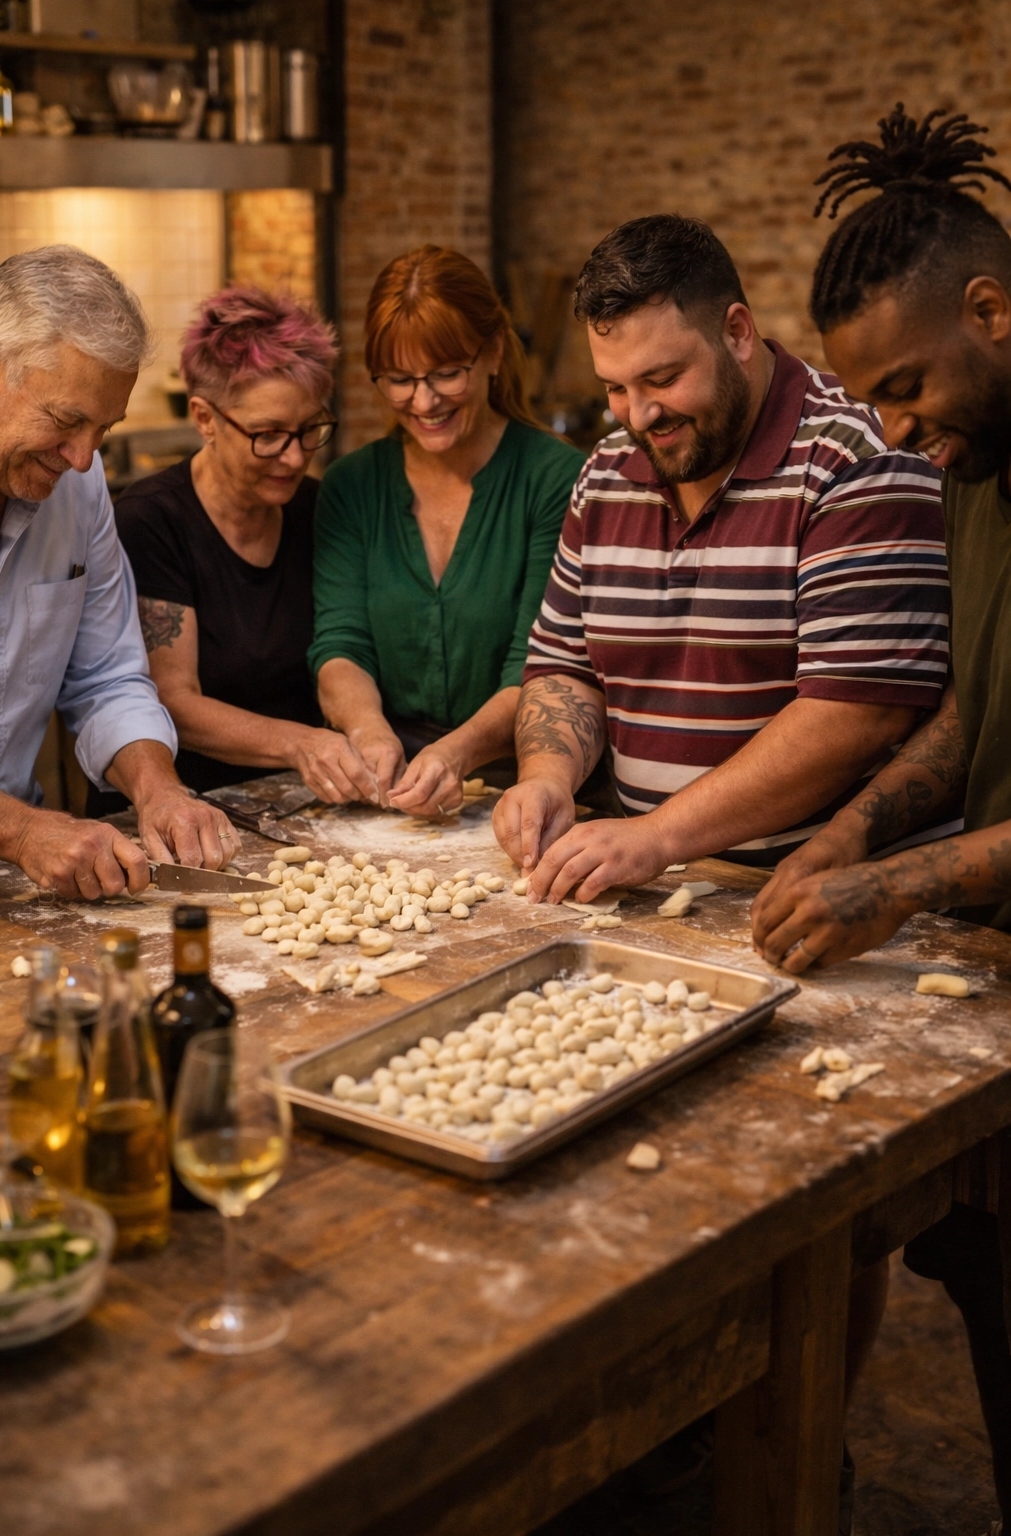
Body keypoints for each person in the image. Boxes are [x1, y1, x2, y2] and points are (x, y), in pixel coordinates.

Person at [750, 104, 1011, 1532]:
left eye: (908, 388)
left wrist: (891, 890)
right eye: (875, 407)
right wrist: (859, 831)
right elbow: (979, 707)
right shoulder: (969, 466)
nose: (899, 431)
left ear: (992, 308)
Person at [492, 213, 950, 907]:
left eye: (663, 378)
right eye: (615, 388)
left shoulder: (857, 458)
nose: (637, 416)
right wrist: (547, 777)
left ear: (736, 332)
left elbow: (855, 714)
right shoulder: (608, 472)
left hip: (830, 900)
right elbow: (566, 668)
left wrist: (657, 835)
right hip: (655, 888)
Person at [0, 245, 238, 899]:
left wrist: (160, 791)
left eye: (103, 429)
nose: (80, 458)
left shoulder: (80, 483)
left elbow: (105, 677)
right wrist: (18, 831)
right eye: (67, 421)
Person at [307, 245, 585, 818]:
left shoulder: (555, 479)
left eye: (446, 374)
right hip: (384, 785)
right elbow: (340, 644)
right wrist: (368, 732)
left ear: (493, 353)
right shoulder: (351, 486)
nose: (425, 401)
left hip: (526, 785)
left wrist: (456, 754)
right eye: (399, 380)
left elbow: (537, 666)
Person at [110, 285, 338, 798]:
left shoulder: (317, 508)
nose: (295, 458)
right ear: (204, 418)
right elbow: (172, 699)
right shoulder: (152, 521)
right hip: (182, 805)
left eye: (308, 429)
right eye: (268, 434)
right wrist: (303, 745)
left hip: (297, 802)